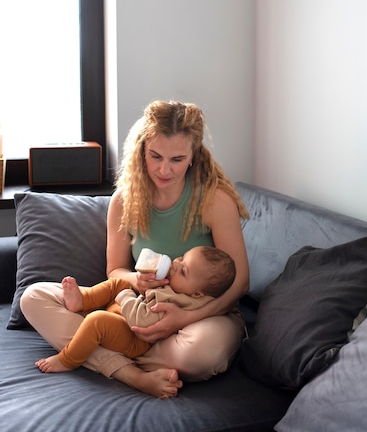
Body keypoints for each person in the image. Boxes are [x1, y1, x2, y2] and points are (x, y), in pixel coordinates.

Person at [21, 100, 250, 398]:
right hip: (139, 313)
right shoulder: (123, 201)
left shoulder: (215, 201)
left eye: (177, 159)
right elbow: (115, 271)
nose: (163, 169)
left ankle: (97, 349)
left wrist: (184, 319)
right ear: (142, 149)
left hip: (200, 318)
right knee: (33, 297)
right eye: (155, 156)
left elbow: (240, 281)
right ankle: (132, 374)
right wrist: (135, 281)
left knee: (203, 351)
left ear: (194, 156)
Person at [35, 246, 235, 376]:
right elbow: (120, 275)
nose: (175, 264)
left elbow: (140, 321)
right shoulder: (178, 287)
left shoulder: (176, 301)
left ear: (198, 294)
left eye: (183, 271)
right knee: (119, 282)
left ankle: (68, 359)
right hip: (130, 309)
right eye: (180, 258)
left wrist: (123, 296)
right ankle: (81, 302)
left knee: (98, 320)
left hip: (135, 338)